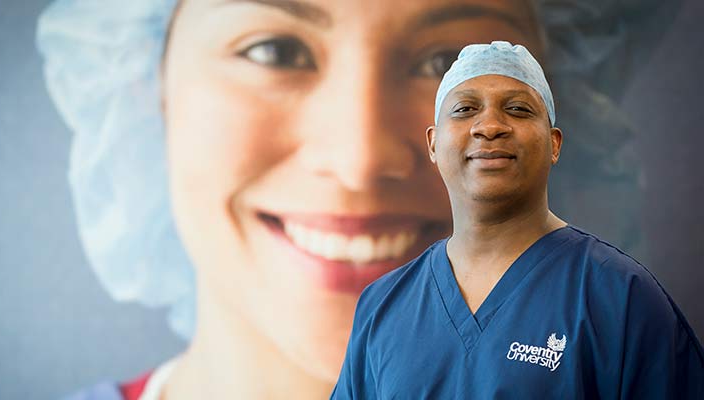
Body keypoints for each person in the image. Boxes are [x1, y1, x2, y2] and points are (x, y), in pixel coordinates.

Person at [36, 1, 680, 399]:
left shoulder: (625, 311)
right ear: (148, 89)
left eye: (443, 62)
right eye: (274, 50)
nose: (360, 161)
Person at [331, 41, 704, 399]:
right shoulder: (383, 306)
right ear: (433, 143)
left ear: (554, 143)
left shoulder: (621, 298)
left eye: (518, 109)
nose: (490, 126)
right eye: (464, 109)